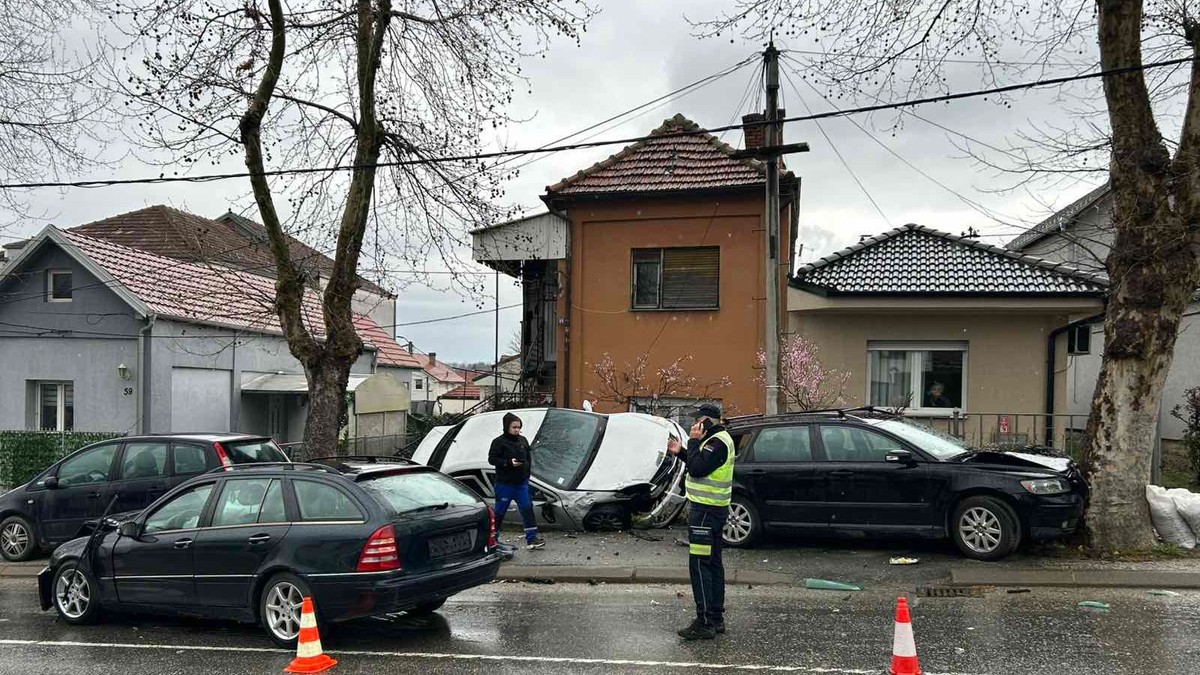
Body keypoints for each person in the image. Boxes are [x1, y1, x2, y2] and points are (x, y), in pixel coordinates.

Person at [666, 402, 734, 640]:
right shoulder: (715, 441)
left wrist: (691, 444)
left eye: (698, 420)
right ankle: (716, 618)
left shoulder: (716, 443)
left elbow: (697, 469)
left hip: (705, 513)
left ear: (707, 421)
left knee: (700, 565)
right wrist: (682, 452)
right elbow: (701, 464)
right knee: (713, 563)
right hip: (712, 511)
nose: (694, 425)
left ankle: (704, 621)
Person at [488, 412, 545, 550]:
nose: (517, 430)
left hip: (521, 483)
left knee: (527, 508)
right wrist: (508, 462)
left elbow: (528, 457)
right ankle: (493, 539)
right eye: (514, 427)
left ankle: (532, 538)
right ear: (507, 426)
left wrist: (527, 473)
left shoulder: (523, 440)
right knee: (500, 512)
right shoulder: (498, 442)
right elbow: (492, 459)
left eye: (519, 427)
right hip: (504, 484)